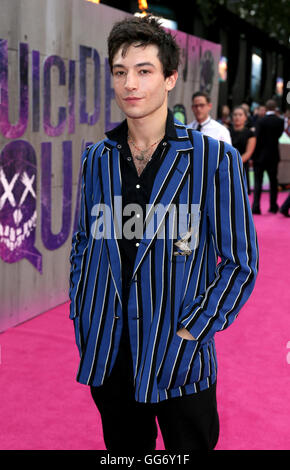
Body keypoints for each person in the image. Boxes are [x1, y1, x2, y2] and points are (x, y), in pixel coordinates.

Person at [69, 15, 259, 453]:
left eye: (144, 71)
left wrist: (195, 329)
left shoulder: (214, 160)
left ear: (170, 78)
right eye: (120, 72)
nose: (129, 84)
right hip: (110, 354)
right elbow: (84, 243)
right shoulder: (96, 158)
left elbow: (240, 264)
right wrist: (84, 313)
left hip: (180, 357)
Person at [252, 99, 284, 214]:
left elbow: (257, 138)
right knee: (273, 182)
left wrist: (254, 155)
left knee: (258, 183)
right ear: (275, 109)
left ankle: (256, 207)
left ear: (266, 108)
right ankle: (273, 206)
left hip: (260, 156)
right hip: (273, 156)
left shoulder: (261, 121)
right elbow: (279, 135)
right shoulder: (280, 121)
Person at [230, 106, 256, 194]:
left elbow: (249, 152)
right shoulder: (226, 131)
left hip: (242, 167)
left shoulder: (250, 133)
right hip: (225, 166)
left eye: (240, 115)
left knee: (241, 195)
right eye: (235, 115)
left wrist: (235, 162)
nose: (237, 117)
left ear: (245, 117)